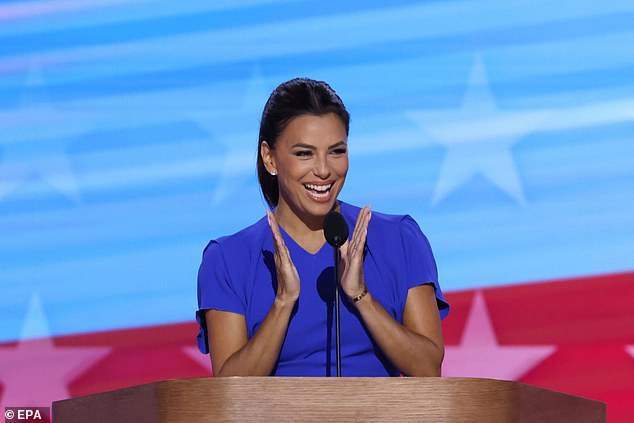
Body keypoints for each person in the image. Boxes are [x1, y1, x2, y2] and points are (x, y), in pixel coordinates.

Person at [196, 78, 449, 377]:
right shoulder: (229, 259)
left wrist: (361, 296)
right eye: (304, 153)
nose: (324, 169)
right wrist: (283, 302)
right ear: (269, 157)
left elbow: (428, 369)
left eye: (336, 151)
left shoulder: (398, 239)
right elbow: (228, 396)